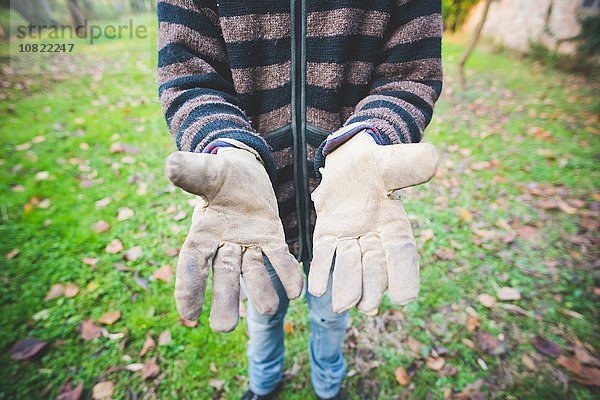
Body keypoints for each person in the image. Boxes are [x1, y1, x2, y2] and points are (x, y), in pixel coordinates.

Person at [158, 1, 443, 399]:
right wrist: (228, 143)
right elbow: (188, 74)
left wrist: (371, 136)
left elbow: (410, 75)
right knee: (264, 314)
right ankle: (263, 386)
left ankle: (328, 389)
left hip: (349, 218)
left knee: (331, 319)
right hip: (257, 217)